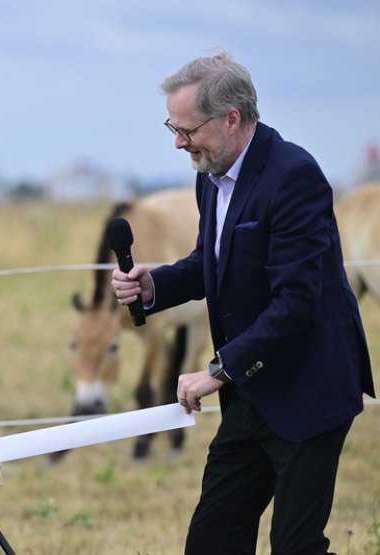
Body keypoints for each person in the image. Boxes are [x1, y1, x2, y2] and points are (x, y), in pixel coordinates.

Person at [111, 51, 375, 554]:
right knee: (212, 540)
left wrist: (218, 370)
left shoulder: (294, 176)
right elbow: (213, 261)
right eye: (173, 126)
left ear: (231, 119)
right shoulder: (210, 174)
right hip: (251, 390)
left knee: (296, 548)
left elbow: (297, 301)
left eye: (187, 129)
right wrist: (155, 286)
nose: (177, 141)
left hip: (310, 391)